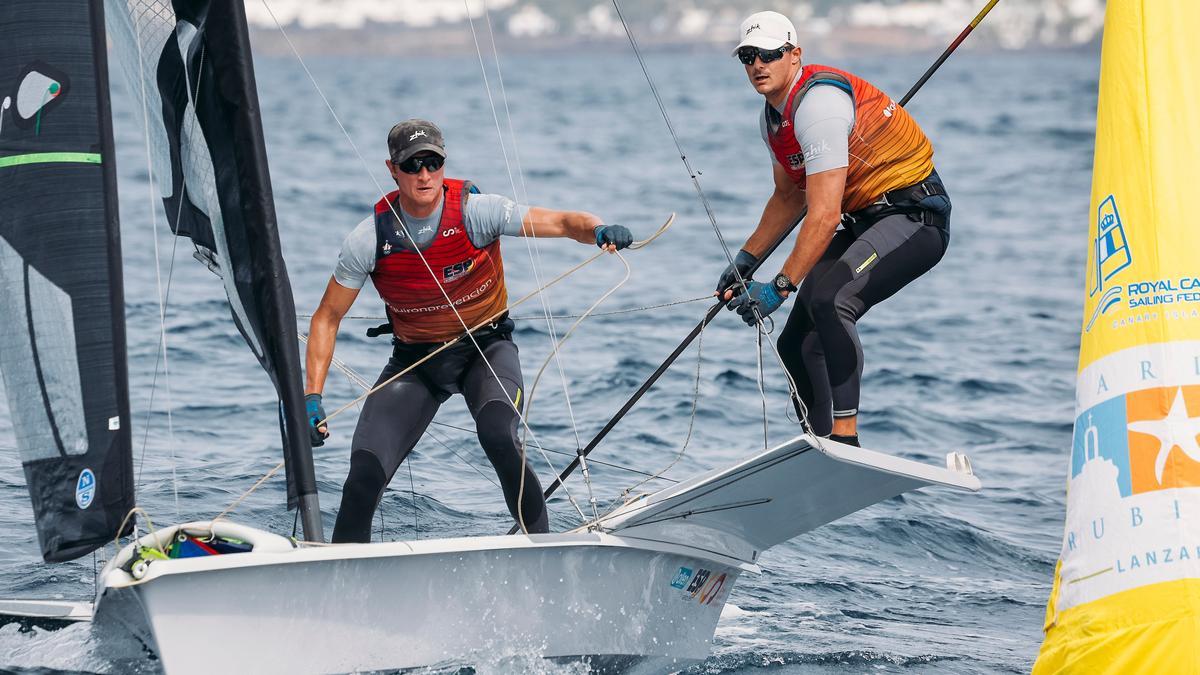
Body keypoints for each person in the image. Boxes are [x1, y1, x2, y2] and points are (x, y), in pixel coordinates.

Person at [305, 119, 634, 542]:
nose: (424, 175)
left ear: (444, 164)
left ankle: (542, 547)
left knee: (497, 434)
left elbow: (565, 223)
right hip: (417, 363)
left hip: (487, 349)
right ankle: (338, 583)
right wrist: (312, 396)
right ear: (392, 169)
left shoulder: (477, 212)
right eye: (412, 165)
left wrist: (599, 230)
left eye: (433, 163)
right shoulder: (370, 239)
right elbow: (326, 317)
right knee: (362, 476)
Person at [716, 11, 952, 448]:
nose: (757, 65)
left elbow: (823, 216)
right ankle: (818, 444)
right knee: (796, 344)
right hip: (864, 220)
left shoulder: (819, 105)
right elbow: (789, 198)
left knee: (831, 300)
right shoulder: (772, 119)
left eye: (769, 53)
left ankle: (846, 439)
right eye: (748, 56)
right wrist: (746, 261)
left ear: (795, 55)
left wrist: (781, 286)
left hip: (913, 218)